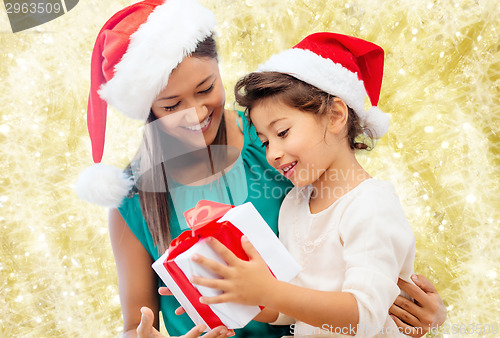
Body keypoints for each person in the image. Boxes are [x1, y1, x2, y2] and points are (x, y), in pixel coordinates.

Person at [75, 0, 446, 336]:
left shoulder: (275, 135)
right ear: (148, 110)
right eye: (171, 105)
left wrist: (419, 311)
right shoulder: (134, 197)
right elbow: (136, 325)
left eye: (206, 89)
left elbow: (360, 247)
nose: (197, 113)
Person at [187, 32, 444, 337]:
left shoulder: (371, 206)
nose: (273, 154)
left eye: (282, 132)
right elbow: (288, 309)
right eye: (266, 142)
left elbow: (364, 318)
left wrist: (270, 291)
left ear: (335, 116)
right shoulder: (294, 204)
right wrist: (232, 289)